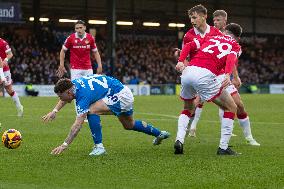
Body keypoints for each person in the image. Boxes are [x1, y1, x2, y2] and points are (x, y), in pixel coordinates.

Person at [42, 74, 170, 155]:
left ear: (69, 92)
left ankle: (99, 147)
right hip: (121, 91)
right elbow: (65, 97)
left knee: (92, 110)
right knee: (129, 125)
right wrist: (55, 111)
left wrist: (64, 145)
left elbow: (77, 126)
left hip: (120, 95)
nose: (61, 99)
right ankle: (159, 133)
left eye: (61, 96)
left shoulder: (82, 96)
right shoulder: (74, 84)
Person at [187, 10, 260, 146]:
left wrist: (235, 76)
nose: (215, 23)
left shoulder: (229, 38)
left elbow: (230, 60)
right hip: (207, 74)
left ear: (225, 22)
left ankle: (249, 137)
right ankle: (186, 131)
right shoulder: (211, 33)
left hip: (221, 75)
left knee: (239, 105)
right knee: (196, 103)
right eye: (214, 20)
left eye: (218, 20)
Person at [174, 23, 243, 155]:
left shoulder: (211, 37)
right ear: (238, 38)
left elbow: (188, 45)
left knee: (187, 108)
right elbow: (231, 58)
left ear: (226, 31)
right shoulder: (235, 45)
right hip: (205, 74)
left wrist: (180, 61)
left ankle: (179, 140)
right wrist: (228, 74)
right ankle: (223, 148)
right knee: (231, 107)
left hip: (188, 72)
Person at [56, 20, 105, 155]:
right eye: (76, 28)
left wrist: (99, 65)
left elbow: (95, 53)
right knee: (73, 92)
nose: (78, 30)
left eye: (80, 27)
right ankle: (80, 115)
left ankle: (90, 115)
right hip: (76, 69)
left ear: (84, 28)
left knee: (90, 91)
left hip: (88, 68)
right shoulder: (71, 38)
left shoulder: (90, 38)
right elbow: (63, 51)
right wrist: (61, 64)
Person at [0, 37, 23, 117]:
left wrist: (5, 60)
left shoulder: (3, 42)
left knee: (9, 90)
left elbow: (10, 54)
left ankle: (19, 107)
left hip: (4, 70)